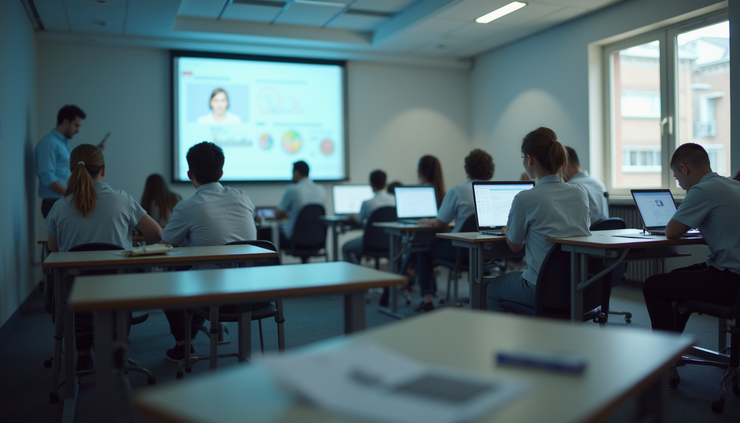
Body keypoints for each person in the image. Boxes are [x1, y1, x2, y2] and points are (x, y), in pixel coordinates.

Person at [44, 144, 162, 371]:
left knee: (77, 282)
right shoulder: (123, 200)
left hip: (74, 298)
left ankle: (83, 353)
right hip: (118, 295)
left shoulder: (59, 207)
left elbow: (53, 249)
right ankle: (112, 348)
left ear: (72, 171)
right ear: (103, 169)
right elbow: (156, 234)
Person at [160, 141, 259, 362]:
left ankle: (184, 344)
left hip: (213, 294)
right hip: (254, 289)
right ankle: (188, 341)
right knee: (203, 271)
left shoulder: (187, 207)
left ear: (189, 174)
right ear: (221, 172)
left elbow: (165, 245)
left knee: (166, 280)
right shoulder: (244, 197)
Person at [487, 127, 591, 312]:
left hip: (540, 287)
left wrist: (508, 230)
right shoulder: (580, 192)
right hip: (580, 285)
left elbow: (515, 246)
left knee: (492, 288)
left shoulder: (525, 198)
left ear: (529, 159)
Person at [643, 143, 740, 338]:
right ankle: (673, 352)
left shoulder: (702, 190)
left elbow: (672, 232)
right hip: (733, 273)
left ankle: (664, 357)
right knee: (677, 276)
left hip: (731, 279)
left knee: (653, 285)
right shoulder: (734, 184)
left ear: (684, 168)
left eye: (677, 177)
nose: (680, 183)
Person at [414, 149, 495, 312]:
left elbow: (440, 224)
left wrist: (429, 220)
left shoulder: (458, 190)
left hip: (460, 250)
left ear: (467, 169)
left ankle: (427, 299)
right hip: (489, 253)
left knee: (422, 249)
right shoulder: (494, 190)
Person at [36, 105, 86, 218]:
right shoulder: (49, 143)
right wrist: (71, 195)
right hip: (54, 203)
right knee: (59, 236)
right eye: (76, 125)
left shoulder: (63, 144)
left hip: (62, 201)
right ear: (65, 122)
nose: (78, 130)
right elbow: (46, 175)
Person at [342, 170, 396, 264]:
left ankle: (355, 276)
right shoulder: (394, 200)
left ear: (371, 184)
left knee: (345, 248)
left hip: (371, 243)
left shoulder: (368, 203)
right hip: (390, 242)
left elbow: (359, 221)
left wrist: (354, 216)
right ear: (386, 183)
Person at [274, 160, 327, 247]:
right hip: (318, 239)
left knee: (271, 234)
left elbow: (278, 215)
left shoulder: (292, 189)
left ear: (296, 172)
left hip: (295, 240)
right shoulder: (321, 189)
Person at [564, 146, 609, 225]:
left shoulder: (572, 186)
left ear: (567, 167)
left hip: (587, 233)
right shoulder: (599, 183)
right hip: (605, 231)